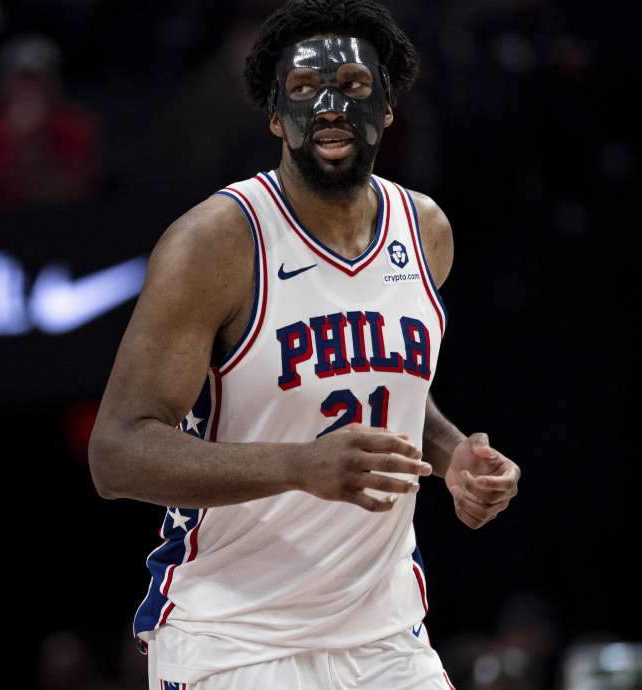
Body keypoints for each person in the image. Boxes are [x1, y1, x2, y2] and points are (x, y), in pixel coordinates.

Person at [87, 1, 520, 688]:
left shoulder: (425, 230)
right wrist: (298, 465)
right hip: (237, 639)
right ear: (272, 117)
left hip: (386, 635)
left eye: (350, 86)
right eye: (300, 89)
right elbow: (115, 453)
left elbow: (383, 378)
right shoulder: (215, 243)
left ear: (385, 109)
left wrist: (451, 452)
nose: (326, 105)